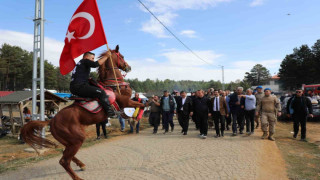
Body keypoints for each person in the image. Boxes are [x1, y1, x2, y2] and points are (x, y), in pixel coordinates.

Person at [70, 51, 114, 116]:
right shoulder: (85, 61)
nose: (93, 60)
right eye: (92, 58)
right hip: (80, 87)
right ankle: (109, 112)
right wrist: (106, 56)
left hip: (75, 86)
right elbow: (95, 64)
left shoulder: (80, 63)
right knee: (101, 92)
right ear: (86, 57)